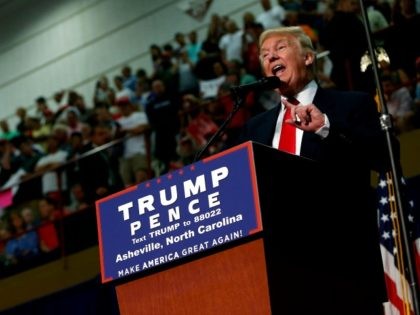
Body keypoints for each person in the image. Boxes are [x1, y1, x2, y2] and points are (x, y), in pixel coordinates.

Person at [234, 26, 395, 315]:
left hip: (343, 257)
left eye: (280, 48)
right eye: (264, 54)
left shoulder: (350, 104)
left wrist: (326, 129)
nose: (271, 56)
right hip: (286, 268)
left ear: (308, 57)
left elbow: (385, 156)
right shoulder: (254, 127)